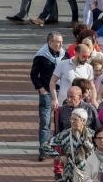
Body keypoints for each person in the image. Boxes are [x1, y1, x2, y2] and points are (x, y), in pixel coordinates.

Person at [31, 31, 65, 160]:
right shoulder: (41, 56)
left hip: (61, 91)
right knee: (45, 122)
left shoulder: (63, 54)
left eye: (61, 42)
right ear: (50, 42)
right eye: (57, 42)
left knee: (61, 120)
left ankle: (58, 148)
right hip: (47, 92)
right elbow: (34, 74)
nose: (60, 44)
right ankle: (43, 150)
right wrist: (41, 89)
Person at [42, 108, 95, 182]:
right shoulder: (65, 134)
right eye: (71, 118)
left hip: (88, 173)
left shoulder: (92, 135)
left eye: (75, 119)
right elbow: (45, 145)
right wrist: (59, 157)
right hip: (70, 174)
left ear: (83, 121)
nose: (72, 121)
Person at [51, 43, 94, 108]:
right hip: (62, 105)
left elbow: (92, 86)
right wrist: (55, 99)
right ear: (76, 53)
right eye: (84, 56)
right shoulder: (62, 64)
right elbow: (52, 81)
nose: (87, 59)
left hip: (81, 107)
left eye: (88, 56)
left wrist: (92, 100)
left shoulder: (89, 67)